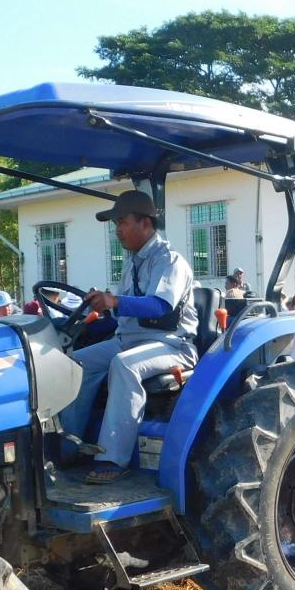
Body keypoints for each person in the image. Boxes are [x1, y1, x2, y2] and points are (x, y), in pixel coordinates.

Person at [60, 190, 198, 483]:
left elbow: (160, 306)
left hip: (171, 344)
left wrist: (114, 300)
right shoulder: (132, 262)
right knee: (74, 363)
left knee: (124, 365)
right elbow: (123, 313)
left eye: (122, 222)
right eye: (116, 224)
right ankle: (69, 445)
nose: (117, 230)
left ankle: (112, 458)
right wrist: (97, 309)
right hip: (129, 341)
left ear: (145, 223)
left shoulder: (169, 261)